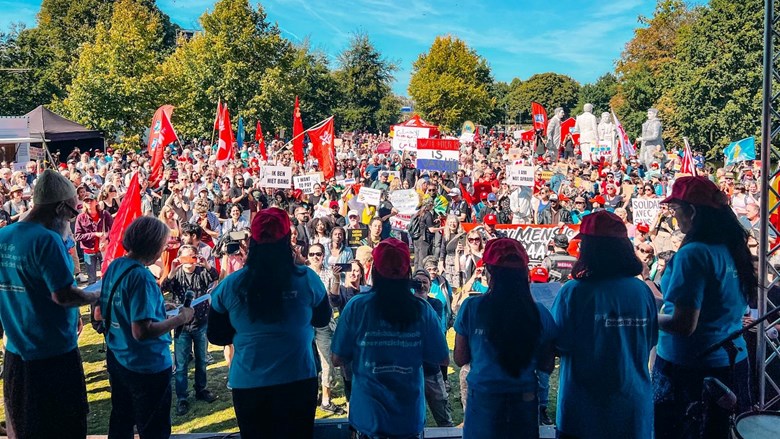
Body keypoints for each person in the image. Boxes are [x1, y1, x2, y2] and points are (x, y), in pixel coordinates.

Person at [207, 208, 331, 438]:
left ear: (252, 241)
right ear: (287, 241)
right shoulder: (306, 279)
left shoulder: (232, 284)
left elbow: (216, 335)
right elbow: (322, 318)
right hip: (297, 379)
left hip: (249, 383)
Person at [0, 170, 100, 439]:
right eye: (72, 211)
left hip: (15, 352)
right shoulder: (47, 240)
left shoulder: (4, 236)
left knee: (20, 426)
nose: (71, 218)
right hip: (53, 354)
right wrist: (96, 294)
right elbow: (64, 296)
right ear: (59, 208)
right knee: (65, 427)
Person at [655, 176, 756, 439]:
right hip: (733, 361)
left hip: (691, 368)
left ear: (692, 211)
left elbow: (683, 324)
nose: (674, 217)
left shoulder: (694, 253)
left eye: (676, 209)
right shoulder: (733, 247)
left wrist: (646, 316)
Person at [552, 211, 658, 439]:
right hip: (633, 409)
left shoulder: (574, 292)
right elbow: (649, 341)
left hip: (584, 413)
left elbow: (559, 344)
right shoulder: (642, 291)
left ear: (590, 249)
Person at [331, 239, 449, 439]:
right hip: (408, 419)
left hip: (368, 418)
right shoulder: (422, 309)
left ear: (375, 270)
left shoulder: (357, 307)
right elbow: (443, 358)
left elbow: (337, 358)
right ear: (407, 273)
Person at [99, 216, 195, 438]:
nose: (164, 250)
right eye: (163, 246)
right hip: (145, 365)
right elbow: (142, 331)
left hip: (118, 356)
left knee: (122, 419)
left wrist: (159, 305)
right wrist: (180, 318)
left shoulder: (116, 265)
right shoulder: (142, 277)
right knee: (154, 428)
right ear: (152, 246)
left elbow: (113, 306)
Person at [454, 238, 558, 439]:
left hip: (483, 400)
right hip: (524, 400)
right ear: (523, 274)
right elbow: (546, 365)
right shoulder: (540, 313)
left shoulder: (471, 308)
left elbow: (460, 358)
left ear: (489, 272)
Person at [161, 244, 219, 416]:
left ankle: (201, 389)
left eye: (193, 257)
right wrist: (172, 269)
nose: (190, 261)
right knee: (181, 365)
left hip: (201, 322)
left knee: (201, 361)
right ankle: (182, 397)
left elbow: (215, 277)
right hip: (181, 326)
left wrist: (206, 264)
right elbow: (163, 287)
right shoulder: (177, 274)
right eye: (186, 257)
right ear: (180, 258)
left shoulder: (201, 272)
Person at [412, 269, 454, 428]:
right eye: (418, 281)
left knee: (443, 414)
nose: (421, 285)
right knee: (415, 416)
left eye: (425, 282)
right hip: (413, 368)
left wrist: (421, 299)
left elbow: (435, 324)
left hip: (431, 367)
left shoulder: (435, 303)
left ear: (430, 285)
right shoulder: (407, 303)